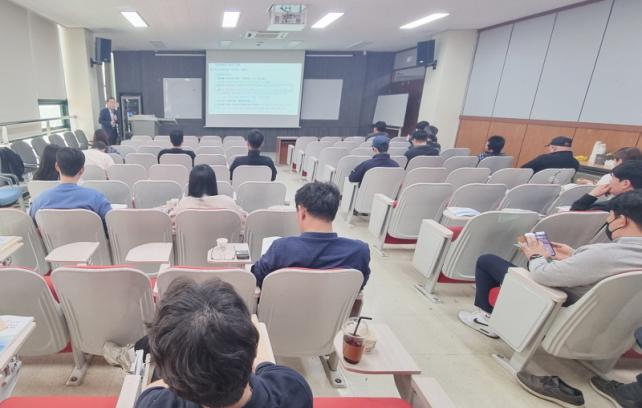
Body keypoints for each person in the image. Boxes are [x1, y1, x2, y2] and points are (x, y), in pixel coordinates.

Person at [458, 190, 642, 339]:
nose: (608, 222)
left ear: (622, 220)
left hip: (561, 304)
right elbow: (602, 266)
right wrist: (574, 254)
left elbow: (543, 275)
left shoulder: (605, 254)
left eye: (610, 217)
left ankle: (487, 317)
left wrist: (535, 255)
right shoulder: (620, 253)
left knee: (487, 260)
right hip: (614, 321)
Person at [134, 277, 313, 408]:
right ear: (253, 346)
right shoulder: (293, 389)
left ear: (174, 382)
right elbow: (262, 365)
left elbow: (152, 389)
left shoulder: (154, 403)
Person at [251, 182, 371, 288]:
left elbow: (256, 278)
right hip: (332, 307)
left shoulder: (281, 248)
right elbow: (358, 286)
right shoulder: (359, 252)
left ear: (302, 212)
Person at [29, 147, 112, 220]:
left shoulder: (40, 201)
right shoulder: (96, 198)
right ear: (82, 170)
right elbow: (111, 222)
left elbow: (32, 224)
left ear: (57, 167)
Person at [168, 165, 246, 228]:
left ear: (191, 184)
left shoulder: (183, 204)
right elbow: (244, 222)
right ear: (213, 183)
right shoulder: (228, 202)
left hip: (189, 243)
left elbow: (171, 226)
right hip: (223, 242)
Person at [570, 160, 642, 211]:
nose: (610, 181)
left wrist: (591, 195)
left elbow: (573, 217)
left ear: (625, 183)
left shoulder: (608, 207)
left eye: (612, 177)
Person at [576, 147, 642, 186]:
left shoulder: (611, 177)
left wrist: (587, 182)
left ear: (620, 161)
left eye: (614, 160)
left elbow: (599, 191)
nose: (613, 162)